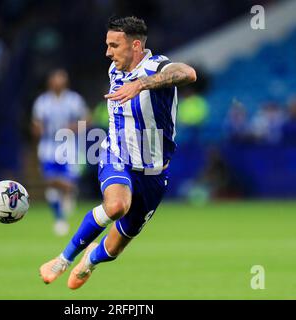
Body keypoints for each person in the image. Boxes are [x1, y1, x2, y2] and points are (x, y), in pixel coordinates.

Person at [39, 16, 196, 289]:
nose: (108, 52)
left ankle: (89, 261)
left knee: (114, 248)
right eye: (107, 45)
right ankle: (62, 259)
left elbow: (188, 73)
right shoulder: (115, 68)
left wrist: (142, 84)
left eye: (114, 45)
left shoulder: (156, 66)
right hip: (116, 156)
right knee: (116, 206)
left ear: (135, 46)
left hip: (154, 172)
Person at [32, 69, 88, 236]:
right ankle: (60, 217)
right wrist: (37, 129)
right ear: (50, 82)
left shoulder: (74, 100)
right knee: (50, 182)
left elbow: (86, 119)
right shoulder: (42, 102)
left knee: (68, 182)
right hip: (48, 147)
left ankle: (68, 194)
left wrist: (75, 127)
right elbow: (35, 124)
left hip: (68, 147)